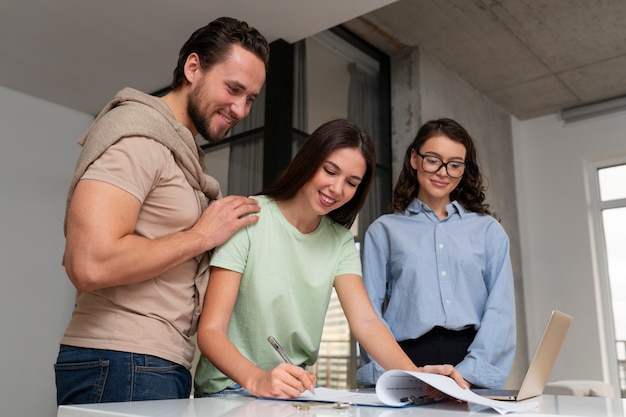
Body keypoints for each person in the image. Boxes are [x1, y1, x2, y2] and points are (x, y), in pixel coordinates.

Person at [54, 17, 270, 405]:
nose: (240, 108)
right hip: (123, 359)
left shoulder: (180, 153)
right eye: (233, 88)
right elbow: (89, 263)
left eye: (250, 98)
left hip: (153, 362)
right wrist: (202, 236)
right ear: (193, 68)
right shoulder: (138, 136)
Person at [193, 118, 467, 399]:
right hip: (227, 389)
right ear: (308, 161)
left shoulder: (340, 242)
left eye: (351, 182)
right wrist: (258, 379)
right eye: (330, 171)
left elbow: (366, 323)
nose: (337, 189)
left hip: (293, 394)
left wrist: (417, 376)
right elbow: (211, 332)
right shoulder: (248, 219)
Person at [356, 118, 516, 390]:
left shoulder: (488, 231)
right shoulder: (383, 231)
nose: (443, 172)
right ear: (414, 159)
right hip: (404, 361)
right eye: (433, 160)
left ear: (464, 170)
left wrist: (467, 374)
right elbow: (368, 312)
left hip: (471, 363)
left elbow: (500, 310)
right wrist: (404, 373)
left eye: (454, 164)